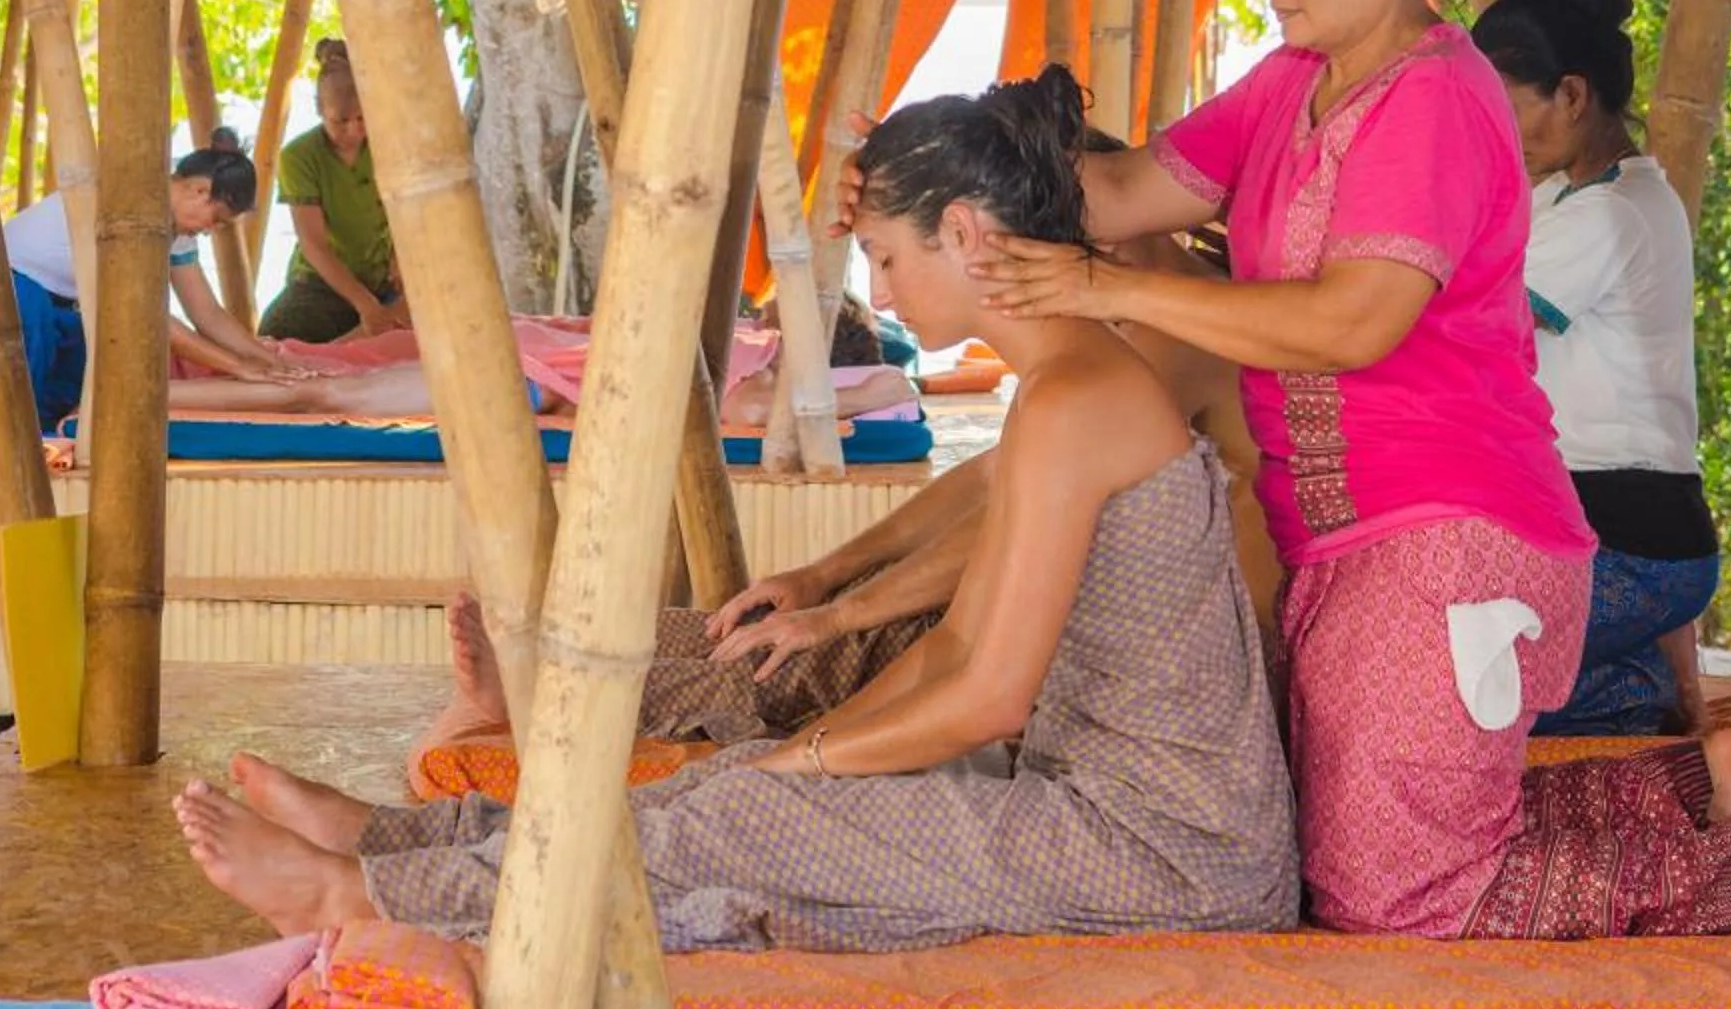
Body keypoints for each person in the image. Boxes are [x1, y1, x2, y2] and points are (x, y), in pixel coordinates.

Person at [173, 67, 1299, 950]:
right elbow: (958, 643)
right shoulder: (1070, 388)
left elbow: (988, 697)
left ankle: (366, 894)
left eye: (888, 257)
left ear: (963, 235)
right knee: (729, 786)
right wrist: (805, 747)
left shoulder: (1085, 396)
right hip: (1109, 813)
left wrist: (802, 769)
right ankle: (399, 845)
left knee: (746, 809)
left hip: (1168, 853)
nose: (887, 291)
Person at [970, 0, 1731, 941]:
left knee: (1391, 903)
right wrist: (944, 171)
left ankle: (1730, 849)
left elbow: (1353, 322)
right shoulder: (1293, 80)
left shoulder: (1436, 97)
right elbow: (1125, 189)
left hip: (1449, 535)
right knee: (1353, 860)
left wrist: (1105, 287)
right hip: (1345, 538)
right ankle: (1699, 791)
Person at [1471, 0, 1718, 736]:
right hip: (1605, 526)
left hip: (1635, 544)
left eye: (1506, 110)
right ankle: (1635, 688)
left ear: (1572, 96)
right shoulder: (1566, 198)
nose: (1497, 134)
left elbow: (1472, 326)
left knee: (1471, 689)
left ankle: (1634, 695)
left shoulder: (1615, 215)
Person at [2, 146, 294, 429]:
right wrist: (238, 367)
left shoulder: (177, 230)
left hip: (63, 302)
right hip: (15, 286)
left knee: (65, 396)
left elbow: (207, 312)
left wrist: (269, 362)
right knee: (17, 400)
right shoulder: (133, 208)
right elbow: (151, 317)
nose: (208, 231)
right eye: (216, 219)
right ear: (200, 190)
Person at [259, 40, 403, 344]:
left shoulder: (389, 144)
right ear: (319, 110)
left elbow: (408, 214)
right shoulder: (299, 156)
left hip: (385, 282)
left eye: (362, 119)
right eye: (340, 121)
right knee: (279, 333)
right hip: (321, 285)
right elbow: (314, 244)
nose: (353, 130)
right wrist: (365, 305)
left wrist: (400, 260)